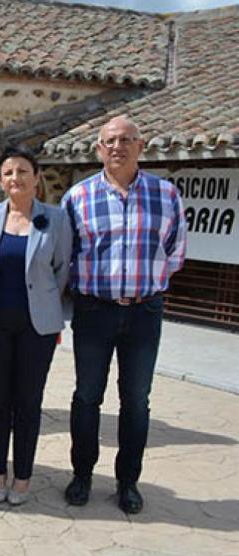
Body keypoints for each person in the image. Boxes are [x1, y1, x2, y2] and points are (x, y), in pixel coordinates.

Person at [61, 116, 186, 515]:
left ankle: (127, 481)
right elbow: (67, 255)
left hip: (143, 313)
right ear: (98, 148)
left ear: (140, 145)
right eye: (110, 140)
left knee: (136, 400)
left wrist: (145, 284)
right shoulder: (77, 197)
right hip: (94, 311)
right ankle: (82, 474)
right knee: (86, 396)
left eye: (126, 140)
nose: (118, 146)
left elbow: (176, 250)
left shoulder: (166, 195)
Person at [0, 147, 72, 505]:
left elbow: (62, 269)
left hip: (37, 328)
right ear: (0, 180)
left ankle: (23, 477)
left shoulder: (56, 219)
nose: (15, 178)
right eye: (8, 172)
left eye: (22, 171)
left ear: (36, 177)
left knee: (28, 403)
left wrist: (47, 307)